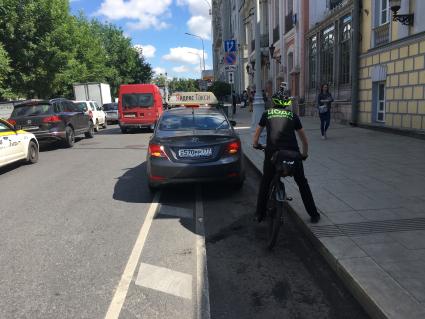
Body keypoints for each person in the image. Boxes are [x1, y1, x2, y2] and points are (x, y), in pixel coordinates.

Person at [253, 90, 321, 224]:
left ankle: (259, 214)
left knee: (266, 182)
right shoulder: (293, 116)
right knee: (302, 183)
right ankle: (314, 214)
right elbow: (304, 141)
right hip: (293, 155)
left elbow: (256, 135)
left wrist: (256, 145)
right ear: (286, 104)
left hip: (273, 155)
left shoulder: (266, 114)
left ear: (273, 102)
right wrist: (304, 155)